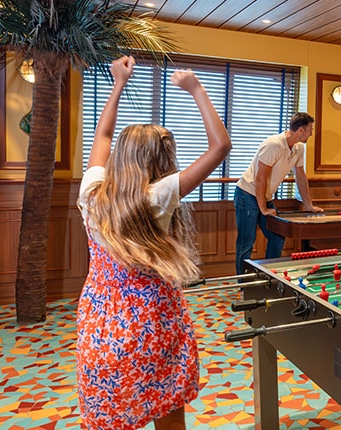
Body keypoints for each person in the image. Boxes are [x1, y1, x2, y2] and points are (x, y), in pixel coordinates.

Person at [75, 56, 231, 430]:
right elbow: (220, 147)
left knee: (111, 411)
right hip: (153, 321)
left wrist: (118, 83)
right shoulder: (157, 197)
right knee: (166, 405)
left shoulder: (91, 193)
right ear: (160, 160)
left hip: (102, 322)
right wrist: (196, 89)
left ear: (121, 156)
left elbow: (102, 137)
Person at [234, 112, 322, 274]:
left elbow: (300, 176)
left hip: (264, 196)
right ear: (301, 130)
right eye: (310, 130)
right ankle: (243, 283)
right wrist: (263, 208)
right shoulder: (273, 144)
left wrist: (308, 205)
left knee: (277, 237)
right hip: (247, 194)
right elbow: (260, 178)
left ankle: (267, 277)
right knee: (246, 242)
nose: (311, 133)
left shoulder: (299, 148)